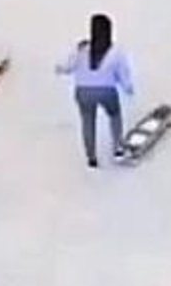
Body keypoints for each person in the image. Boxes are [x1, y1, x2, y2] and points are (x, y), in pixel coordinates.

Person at [55, 11, 136, 168]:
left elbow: (69, 66)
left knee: (87, 121)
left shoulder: (82, 48)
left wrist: (60, 69)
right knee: (114, 115)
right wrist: (128, 88)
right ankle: (118, 148)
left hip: (83, 91)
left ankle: (91, 157)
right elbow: (122, 74)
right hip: (106, 91)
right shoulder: (116, 52)